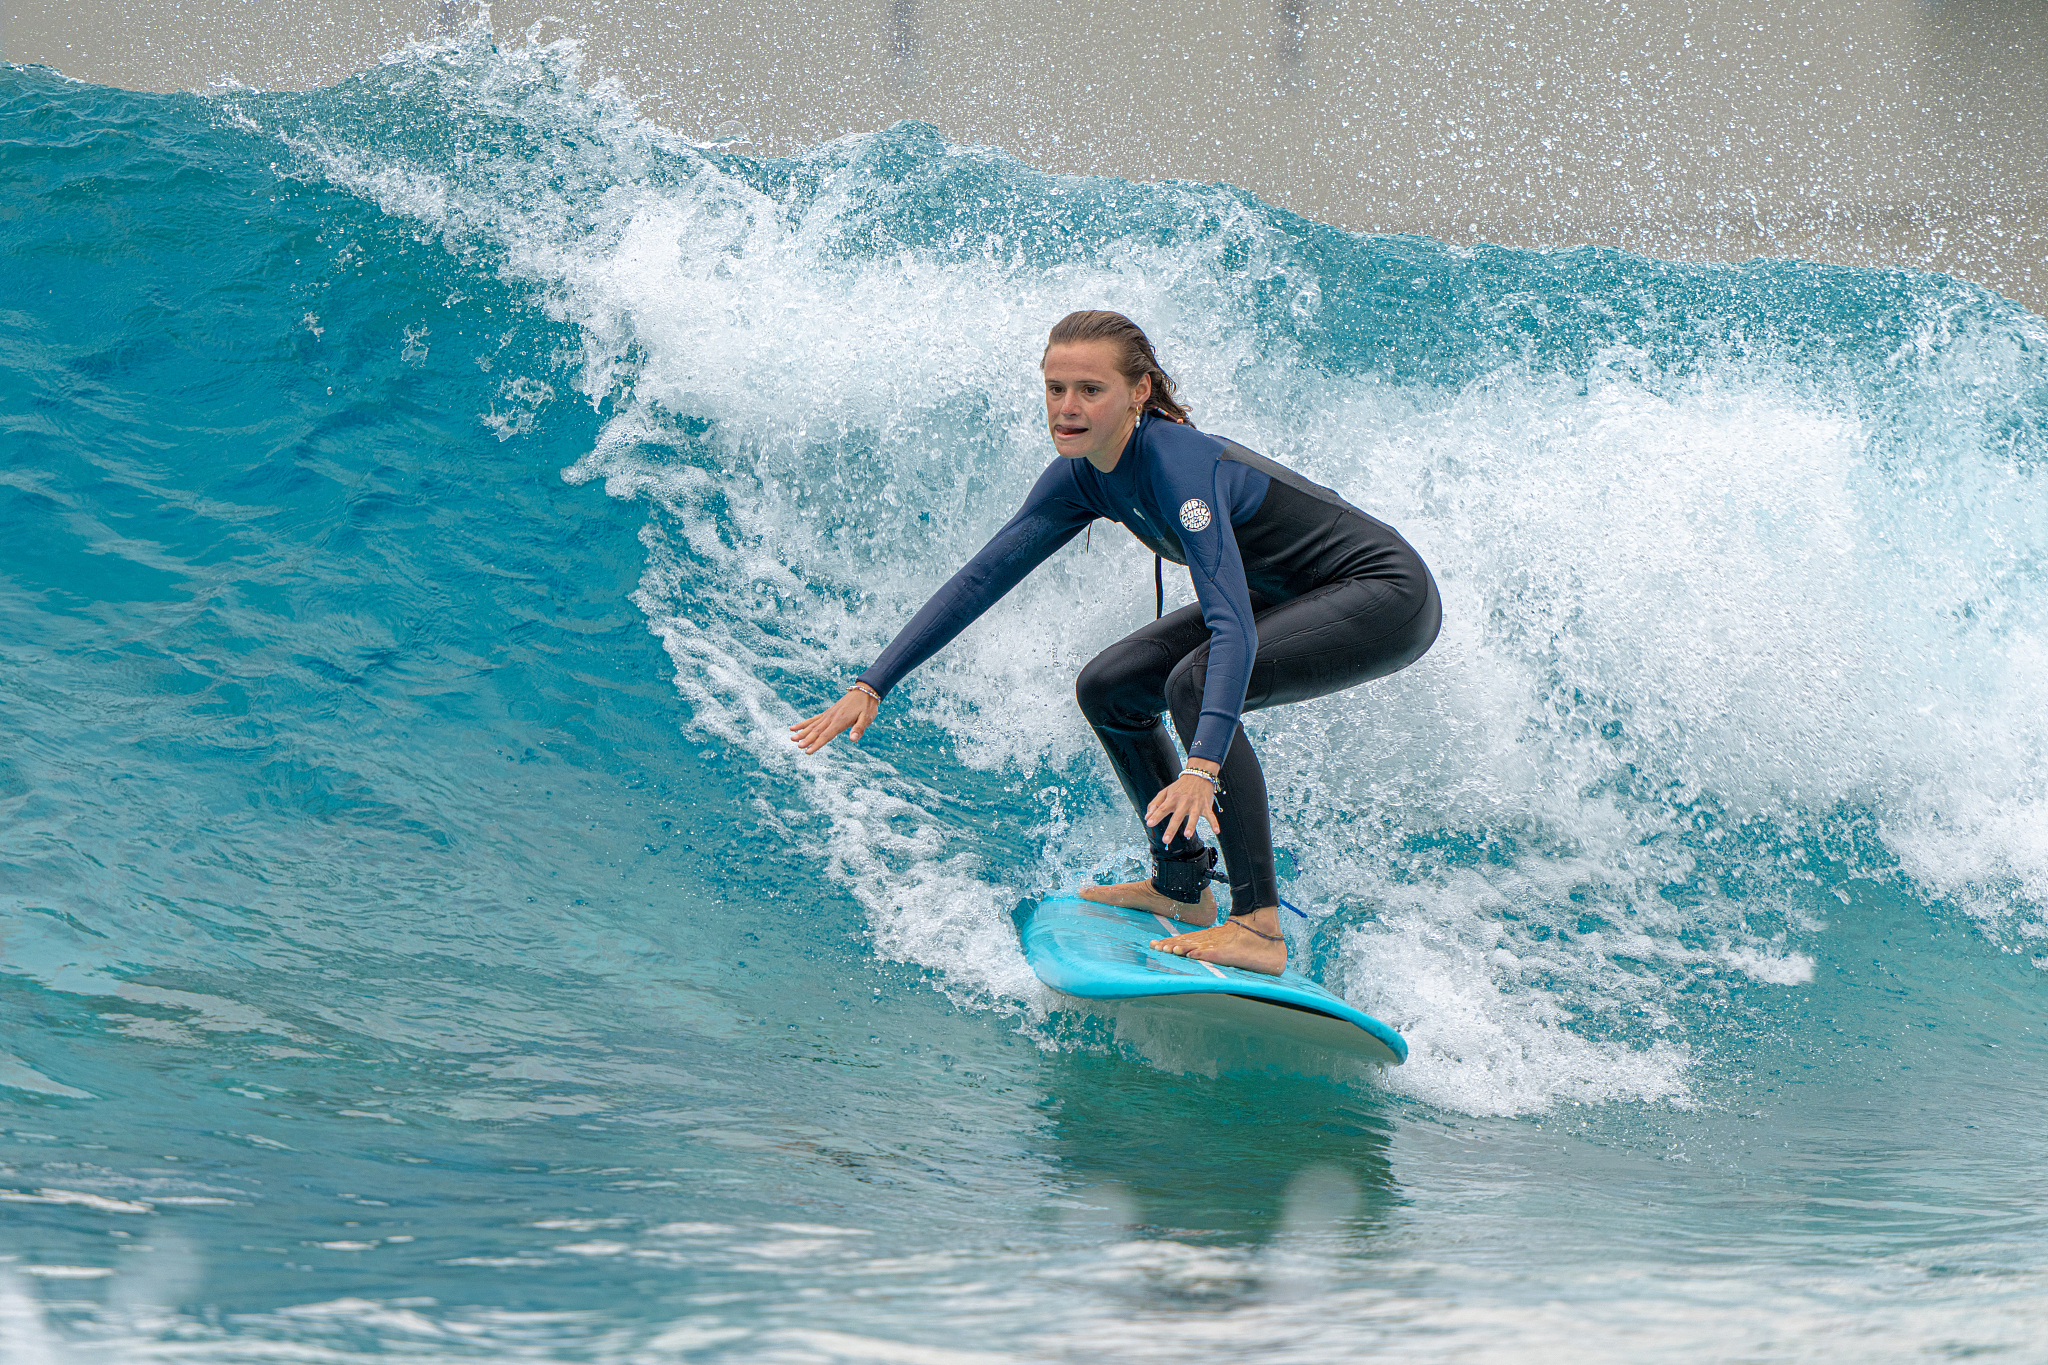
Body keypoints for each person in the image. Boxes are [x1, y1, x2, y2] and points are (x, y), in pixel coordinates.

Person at [790, 311, 1440, 975]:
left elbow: (1231, 627)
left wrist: (1201, 767)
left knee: (1191, 681)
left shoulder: (1179, 466)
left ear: (1139, 391)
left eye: (1090, 390)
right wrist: (874, 682)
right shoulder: (1082, 477)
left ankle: (1258, 924)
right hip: (1290, 595)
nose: (1068, 408)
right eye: (1055, 388)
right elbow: (983, 577)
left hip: (1384, 594)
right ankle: (1182, 885)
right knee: (1109, 687)